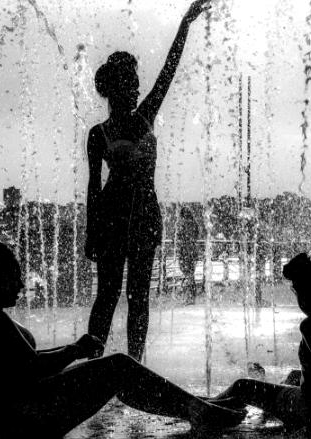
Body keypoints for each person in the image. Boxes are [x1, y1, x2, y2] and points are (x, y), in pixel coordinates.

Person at [0, 239, 245, 439]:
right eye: (13, 277)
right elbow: (33, 366)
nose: (20, 285)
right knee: (119, 367)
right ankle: (198, 410)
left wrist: (74, 350)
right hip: (28, 421)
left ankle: (194, 405)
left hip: (10, 420)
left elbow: (20, 366)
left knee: (117, 371)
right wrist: (75, 350)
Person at [85, 0, 211, 361]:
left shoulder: (133, 123)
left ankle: (132, 364)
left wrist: (185, 24)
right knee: (112, 294)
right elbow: (93, 187)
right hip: (120, 216)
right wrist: (91, 233)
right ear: (118, 88)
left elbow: (168, 72)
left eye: (139, 83)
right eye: (133, 83)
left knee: (134, 294)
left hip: (139, 215)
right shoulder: (106, 132)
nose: (140, 89)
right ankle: (96, 363)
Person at [205, 253, 311, 432]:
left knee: (243, 386)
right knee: (294, 376)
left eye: (297, 290)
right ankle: (267, 403)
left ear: (306, 295)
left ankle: (209, 409)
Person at [177, 206, 199, 302]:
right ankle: (191, 295)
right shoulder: (194, 223)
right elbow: (196, 235)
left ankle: (190, 296)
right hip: (192, 251)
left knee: (188, 274)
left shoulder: (184, 224)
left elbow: (180, 237)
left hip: (186, 251)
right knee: (190, 274)